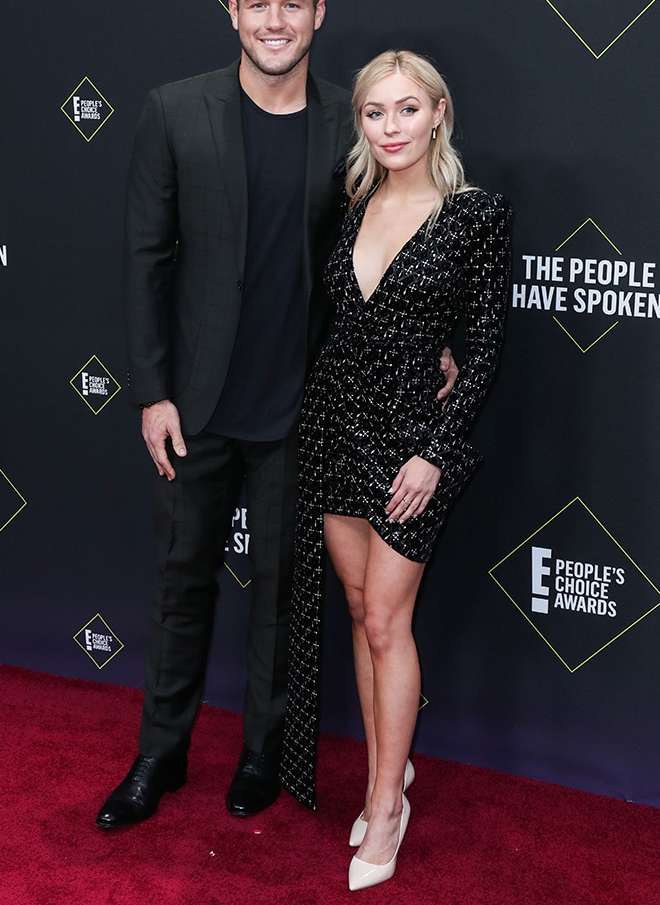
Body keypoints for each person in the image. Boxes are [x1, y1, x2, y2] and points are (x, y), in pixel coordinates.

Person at [96, 0, 457, 830]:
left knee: (285, 593)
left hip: (310, 405)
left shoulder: (353, 122)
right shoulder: (174, 112)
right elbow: (145, 260)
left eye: (292, 4)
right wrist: (152, 390)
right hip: (197, 404)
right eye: (258, 4)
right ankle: (160, 756)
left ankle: (263, 755)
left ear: (318, 13)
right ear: (232, 11)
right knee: (182, 582)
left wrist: (443, 340)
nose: (274, 22)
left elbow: (410, 235)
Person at [280, 50, 511, 890]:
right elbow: (349, 322)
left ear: (439, 113)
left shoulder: (475, 213)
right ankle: (393, 767)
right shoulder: (357, 202)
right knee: (355, 608)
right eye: (375, 114)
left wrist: (436, 451)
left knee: (386, 619)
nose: (391, 128)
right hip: (337, 422)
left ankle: (385, 808)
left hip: (418, 438)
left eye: (407, 111)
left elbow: (483, 351)